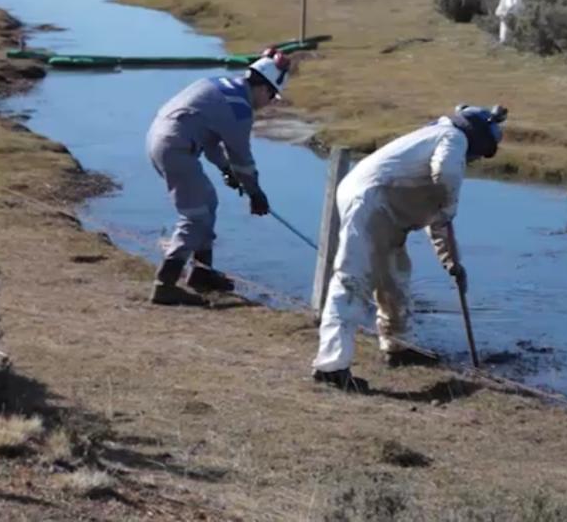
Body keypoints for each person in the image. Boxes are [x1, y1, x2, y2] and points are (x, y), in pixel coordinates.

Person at [311, 104, 508, 390]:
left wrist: (452, 262)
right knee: (351, 281)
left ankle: (397, 345)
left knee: (394, 278)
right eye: (478, 154)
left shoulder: (432, 139)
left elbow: (439, 222)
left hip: (385, 210)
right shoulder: (452, 139)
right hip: (370, 201)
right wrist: (450, 203)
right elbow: (445, 176)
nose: (475, 160)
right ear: (476, 137)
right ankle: (332, 367)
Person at [144, 49, 290, 306]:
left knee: (207, 201)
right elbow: (242, 159)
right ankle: (165, 284)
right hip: (175, 147)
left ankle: (201, 273)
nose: (269, 104)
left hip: (160, 138)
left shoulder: (219, 85)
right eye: (272, 97)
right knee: (195, 214)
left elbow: (211, 142)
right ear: (264, 88)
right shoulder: (240, 108)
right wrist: (255, 193)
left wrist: (224, 169)